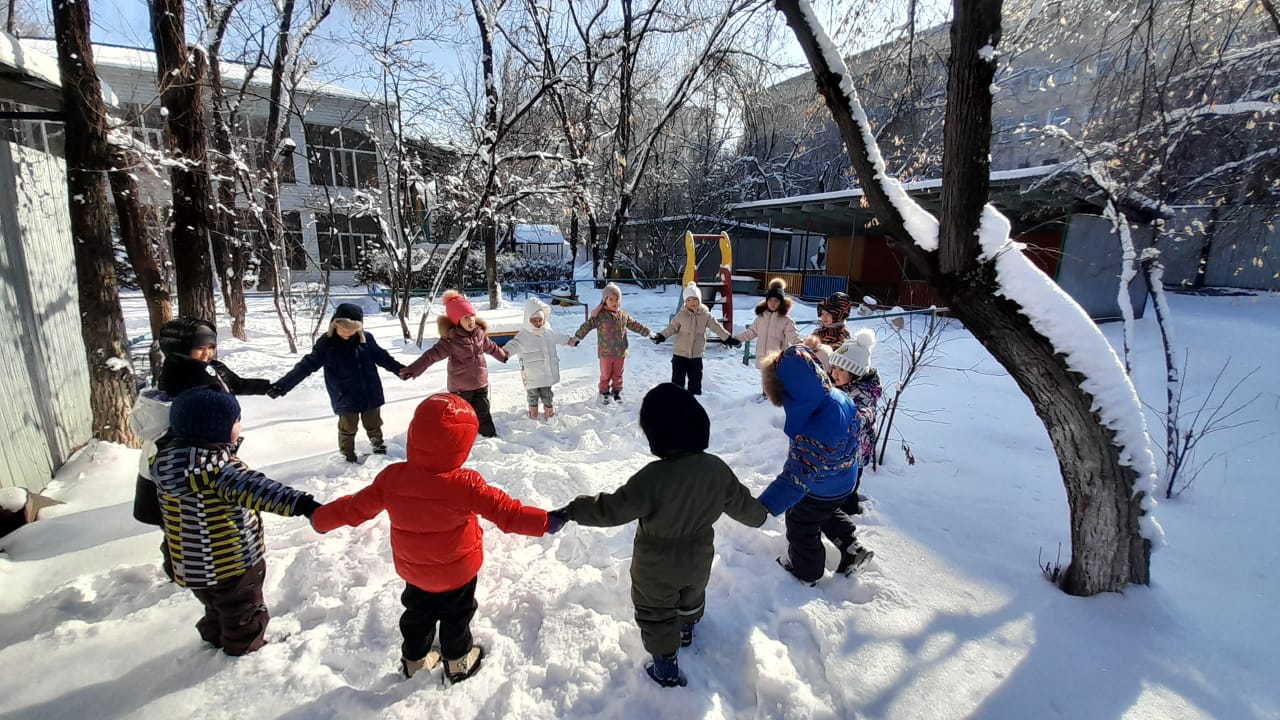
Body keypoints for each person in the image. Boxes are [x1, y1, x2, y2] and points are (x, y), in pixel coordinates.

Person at [311, 393, 562, 683]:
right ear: (462, 445)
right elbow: (508, 513)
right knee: (457, 616)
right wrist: (546, 521)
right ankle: (457, 662)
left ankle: (414, 661)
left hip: (414, 569)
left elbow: (354, 508)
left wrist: (321, 519)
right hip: (458, 571)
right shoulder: (466, 484)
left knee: (417, 614)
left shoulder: (392, 478)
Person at [549, 384, 768, 687]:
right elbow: (744, 506)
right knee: (692, 592)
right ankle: (687, 628)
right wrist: (761, 515)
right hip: (699, 554)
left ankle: (665, 666)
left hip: (656, 564)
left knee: (656, 613)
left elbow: (612, 509)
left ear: (658, 435)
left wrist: (573, 510)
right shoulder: (716, 469)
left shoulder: (652, 478)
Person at [152, 387, 320, 656]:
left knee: (215, 604)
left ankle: (214, 634)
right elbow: (262, 491)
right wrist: (304, 504)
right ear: (216, 428)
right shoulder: (218, 470)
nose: (240, 425)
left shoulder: (166, 462)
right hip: (231, 562)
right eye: (236, 420)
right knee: (243, 609)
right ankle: (245, 648)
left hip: (191, 563)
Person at [130, 317, 272, 580]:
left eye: (211, 346)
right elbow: (184, 426)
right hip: (177, 460)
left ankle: (191, 562)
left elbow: (235, 384)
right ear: (180, 349)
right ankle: (178, 566)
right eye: (200, 348)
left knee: (199, 513)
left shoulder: (207, 369)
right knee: (181, 518)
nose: (207, 353)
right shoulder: (181, 376)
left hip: (203, 455)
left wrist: (272, 387)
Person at [757, 345, 864, 584]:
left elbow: (798, 476)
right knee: (822, 512)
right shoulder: (836, 397)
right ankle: (851, 546)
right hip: (844, 478)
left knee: (800, 521)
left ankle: (806, 571)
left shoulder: (819, 423)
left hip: (823, 485)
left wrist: (763, 506)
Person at [269, 303, 406, 462]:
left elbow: (382, 357)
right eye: (344, 329)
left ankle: (377, 443)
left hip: (370, 390)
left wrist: (400, 370)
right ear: (334, 324)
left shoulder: (366, 339)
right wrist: (283, 385)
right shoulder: (326, 344)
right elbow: (306, 366)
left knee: (373, 421)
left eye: (352, 330)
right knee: (348, 426)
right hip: (344, 394)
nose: (347, 334)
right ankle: (347, 454)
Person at [399, 290, 509, 437]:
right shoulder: (450, 340)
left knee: (483, 412)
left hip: (480, 383)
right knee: (461, 415)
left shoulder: (479, 334)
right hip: (461, 388)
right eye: (465, 318)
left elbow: (491, 347)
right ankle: (460, 438)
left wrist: (503, 356)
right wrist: (413, 369)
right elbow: (430, 356)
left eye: (472, 316)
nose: (470, 320)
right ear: (456, 321)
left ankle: (489, 435)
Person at [568, 282, 655, 405]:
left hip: (620, 352)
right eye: (611, 299)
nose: (615, 302)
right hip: (606, 352)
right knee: (605, 375)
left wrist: (649, 333)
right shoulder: (600, 316)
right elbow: (586, 326)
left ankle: (617, 391)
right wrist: (577, 338)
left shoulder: (623, 316)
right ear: (605, 301)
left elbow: (635, 325)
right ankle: (604, 392)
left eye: (617, 299)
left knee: (618, 375)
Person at [652, 282, 740, 395]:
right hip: (680, 354)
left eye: (695, 299)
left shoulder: (706, 315)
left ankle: (695, 398)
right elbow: (672, 328)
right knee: (678, 380)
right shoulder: (681, 315)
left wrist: (728, 338)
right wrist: (661, 336)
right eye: (689, 300)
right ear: (685, 302)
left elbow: (716, 327)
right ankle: (676, 399)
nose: (692, 302)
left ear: (699, 300)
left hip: (696, 354)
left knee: (695, 379)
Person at [502, 296, 574, 419]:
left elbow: (559, 337)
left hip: (546, 373)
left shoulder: (548, 333)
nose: (537, 323)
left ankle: (549, 411)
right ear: (527, 320)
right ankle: (533, 411)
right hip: (531, 374)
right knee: (532, 395)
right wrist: (503, 352)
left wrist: (569, 340)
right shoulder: (523, 336)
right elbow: (513, 345)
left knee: (547, 394)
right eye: (534, 320)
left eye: (540, 320)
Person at [734, 278, 803, 375]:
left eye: (776, 301)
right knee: (767, 387)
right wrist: (736, 339)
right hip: (763, 360)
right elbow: (751, 332)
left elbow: (793, 336)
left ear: (781, 303)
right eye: (770, 300)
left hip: (778, 360)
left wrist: (802, 346)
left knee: (775, 387)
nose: (772, 303)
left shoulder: (786, 320)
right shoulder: (761, 318)